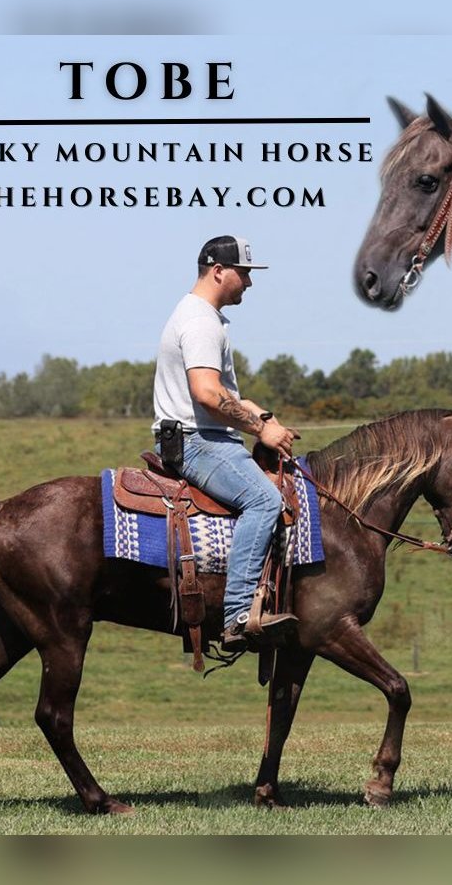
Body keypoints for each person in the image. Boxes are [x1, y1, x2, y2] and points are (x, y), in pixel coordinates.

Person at [152, 235, 299, 651]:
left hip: (206, 436)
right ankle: (238, 615)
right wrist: (258, 431)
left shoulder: (205, 317)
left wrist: (264, 419)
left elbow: (227, 394)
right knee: (265, 501)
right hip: (198, 441)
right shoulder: (200, 321)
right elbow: (207, 393)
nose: (249, 283)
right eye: (245, 273)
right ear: (219, 271)